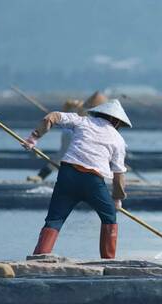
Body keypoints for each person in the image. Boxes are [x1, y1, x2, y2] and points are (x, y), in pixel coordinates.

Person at [23, 99, 132, 259]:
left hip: (68, 175)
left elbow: (52, 117)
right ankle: (108, 260)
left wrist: (33, 138)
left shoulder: (82, 121)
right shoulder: (118, 140)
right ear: (116, 121)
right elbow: (119, 175)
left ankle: (40, 257)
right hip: (93, 182)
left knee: (55, 218)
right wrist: (117, 199)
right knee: (109, 217)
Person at [27, 92, 108, 182]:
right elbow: (69, 107)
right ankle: (43, 176)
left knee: (64, 157)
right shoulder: (85, 108)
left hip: (72, 134)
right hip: (72, 134)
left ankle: (43, 176)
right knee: (65, 157)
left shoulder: (89, 110)